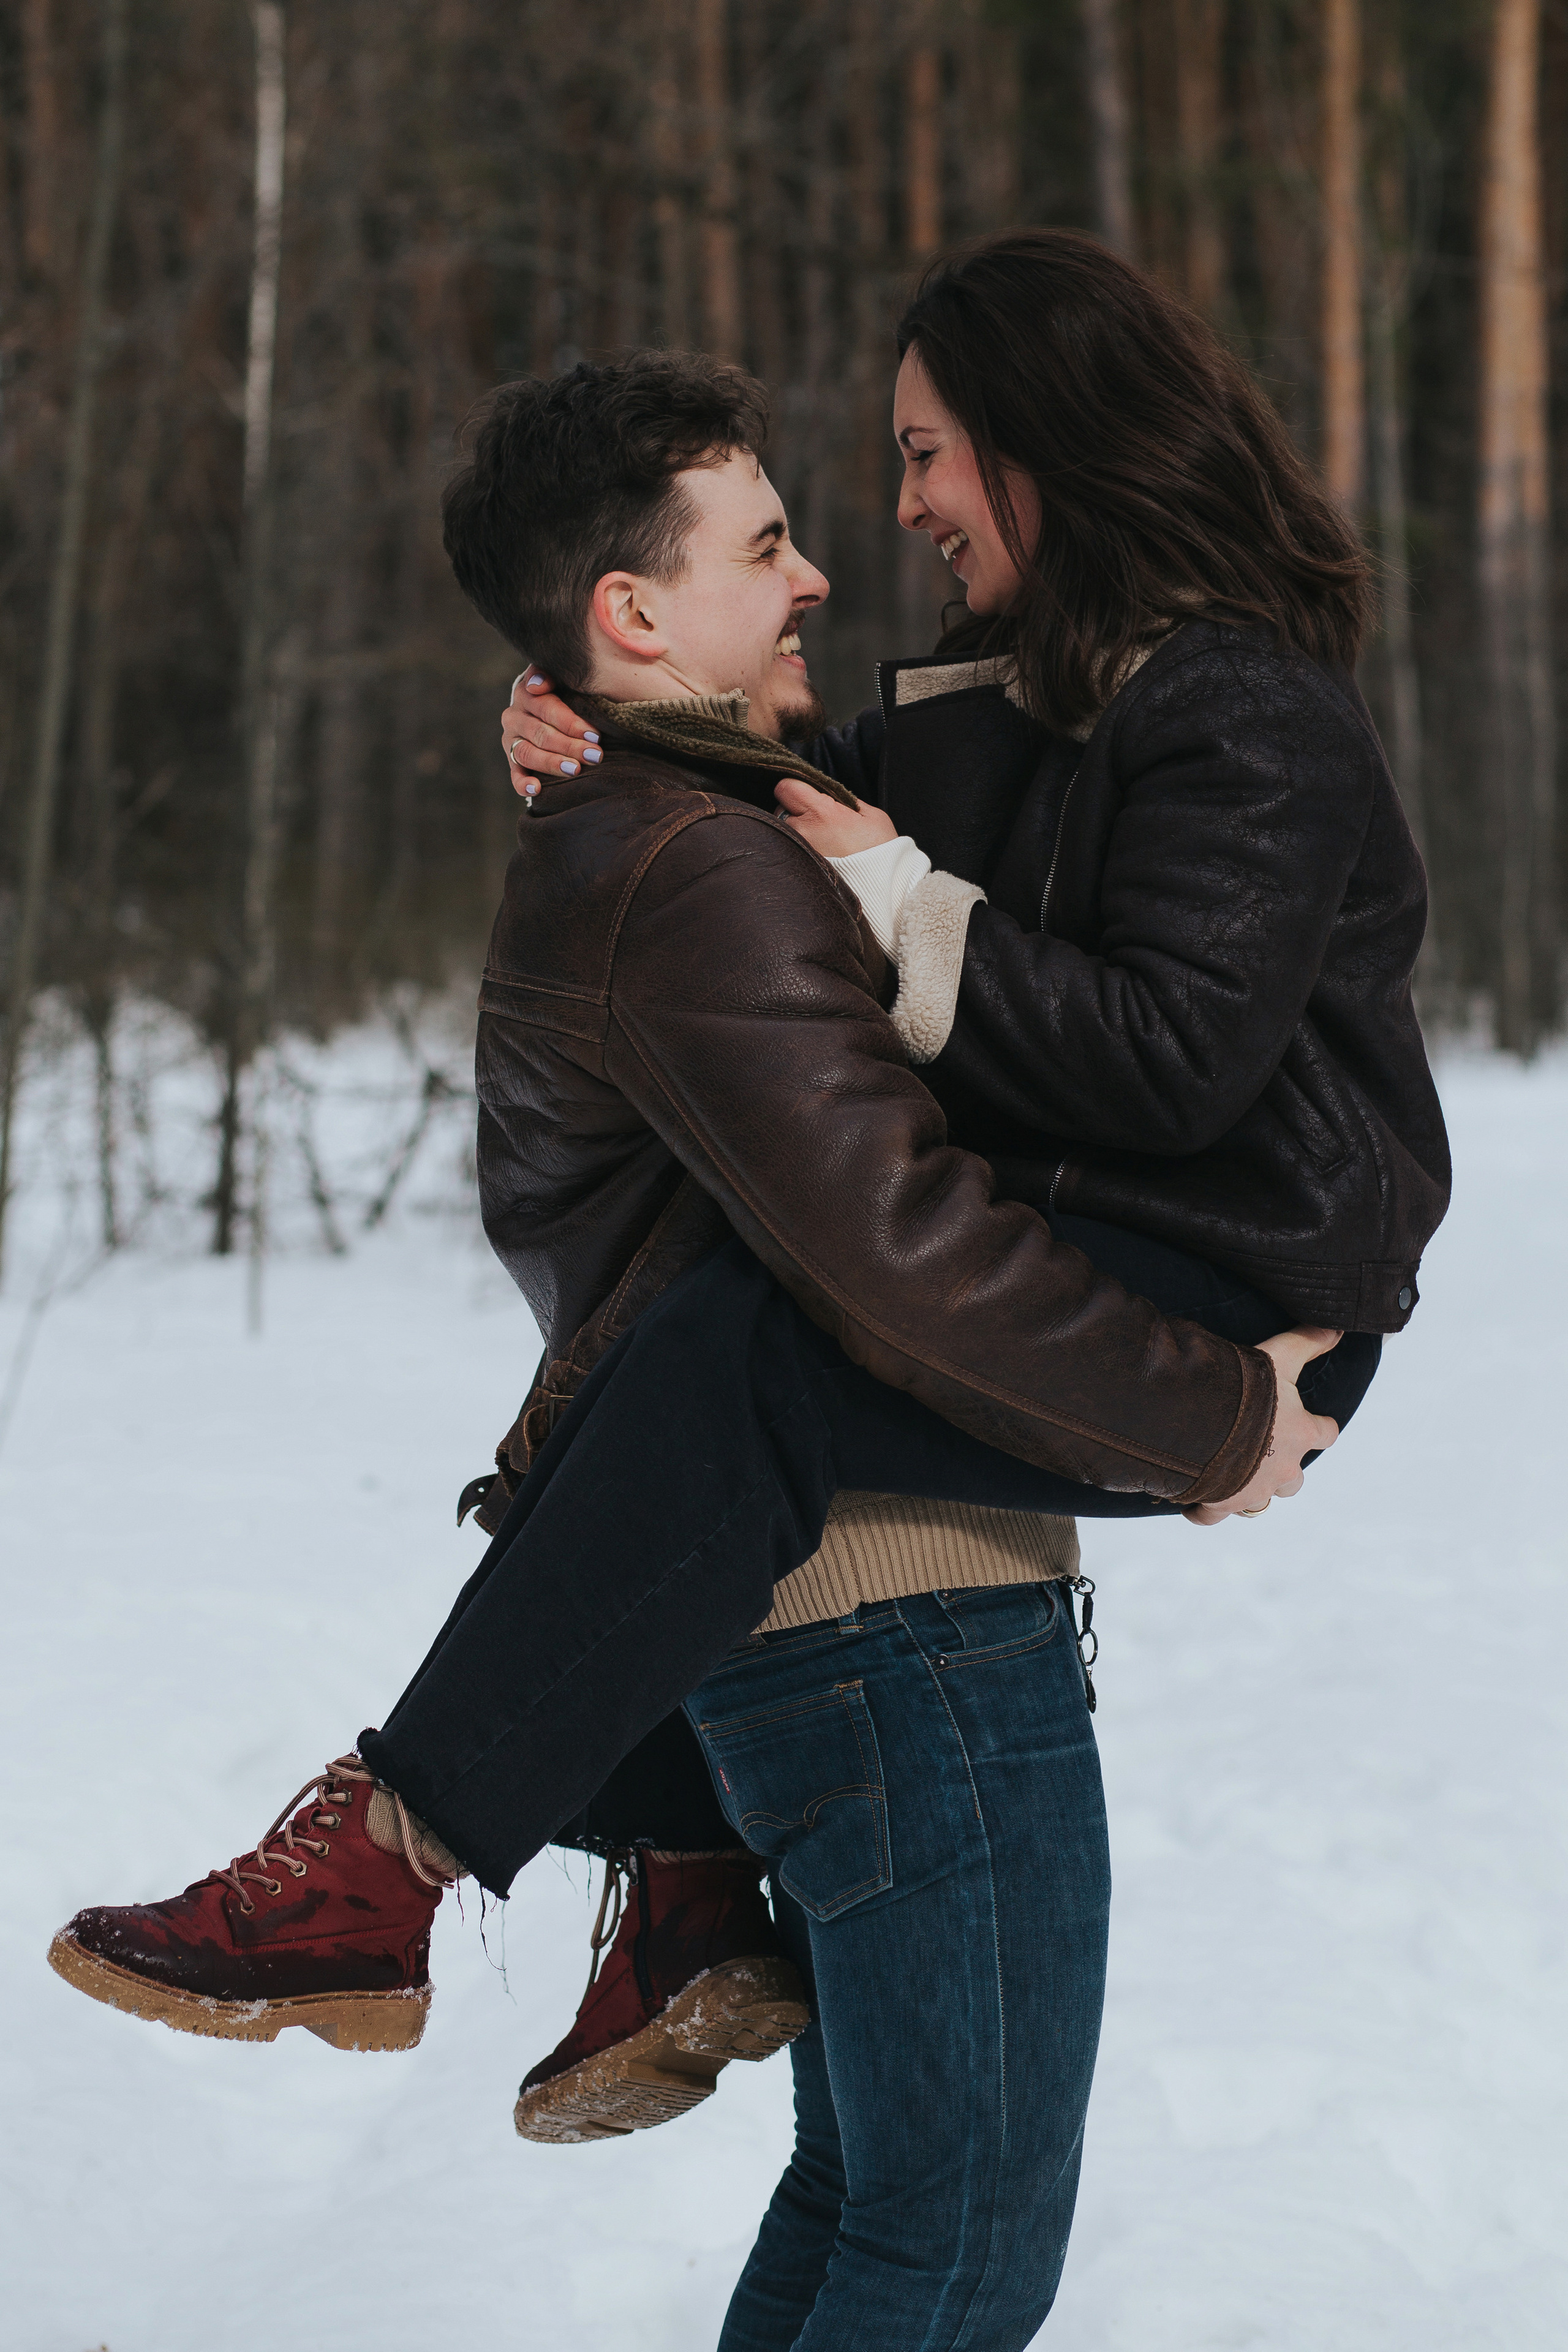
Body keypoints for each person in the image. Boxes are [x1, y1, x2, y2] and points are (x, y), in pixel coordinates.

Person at [43, 246, 1429, 2345]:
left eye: (924, 454)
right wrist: (604, 730)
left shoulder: (1237, 698)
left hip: (1251, 1264)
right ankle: (496, 1856)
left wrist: (862, 876)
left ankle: (443, 1850)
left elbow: (1166, 1054)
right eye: (822, 502)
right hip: (1009, 1405)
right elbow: (802, 797)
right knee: (924, 2226)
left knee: (760, 1364)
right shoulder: (1013, 706)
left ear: (1045, 450)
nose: (890, 520)